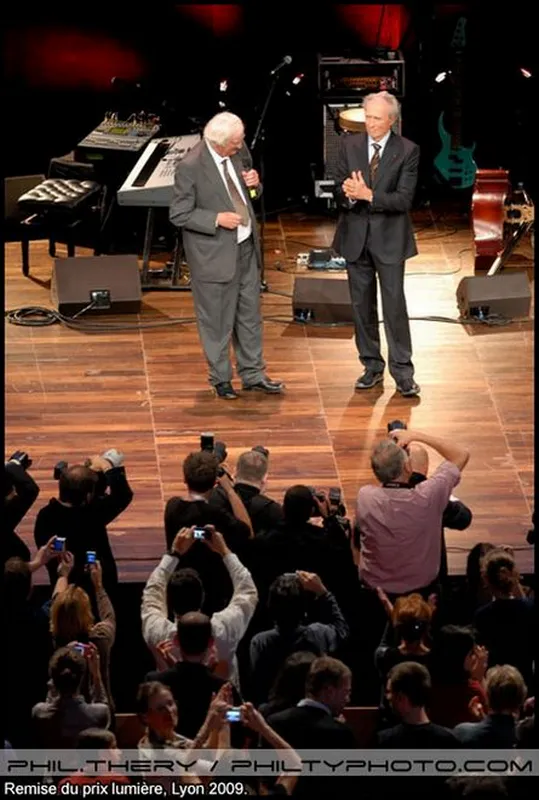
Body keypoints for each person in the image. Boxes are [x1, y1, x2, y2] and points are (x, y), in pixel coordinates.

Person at [169, 110, 284, 399]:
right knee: (217, 322)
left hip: (245, 250)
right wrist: (216, 218)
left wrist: (255, 186)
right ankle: (221, 379)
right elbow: (179, 214)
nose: (241, 143)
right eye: (236, 141)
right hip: (214, 257)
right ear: (220, 143)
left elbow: (252, 197)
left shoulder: (239, 151)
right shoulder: (191, 166)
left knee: (249, 316)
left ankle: (253, 374)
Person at [332, 91, 420, 397]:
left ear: (392, 121)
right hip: (355, 238)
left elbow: (404, 199)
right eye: (367, 117)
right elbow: (338, 185)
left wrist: (369, 195)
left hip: (390, 240)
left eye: (377, 118)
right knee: (361, 308)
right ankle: (371, 367)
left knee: (394, 306)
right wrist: (347, 192)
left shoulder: (407, 151)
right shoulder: (347, 144)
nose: (370, 123)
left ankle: (403, 372)